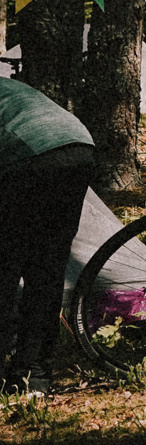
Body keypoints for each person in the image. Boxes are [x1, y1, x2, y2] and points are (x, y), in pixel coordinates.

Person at [0, 78, 96, 395]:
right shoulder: (9, 87)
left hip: (30, 157)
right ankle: (34, 375)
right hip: (78, 146)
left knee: (6, 266)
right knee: (47, 268)